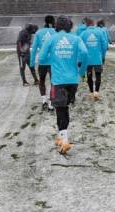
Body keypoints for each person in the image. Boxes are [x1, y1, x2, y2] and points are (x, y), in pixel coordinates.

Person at [39, 16, 88, 154]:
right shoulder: (76, 39)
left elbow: (42, 58)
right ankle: (62, 137)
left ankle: (64, 140)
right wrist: (81, 71)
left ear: (56, 26)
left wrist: (53, 59)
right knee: (64, 108)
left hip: (58, 80)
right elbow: (84, 52)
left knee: (60, 110)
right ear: (69, 26)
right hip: (73, 80)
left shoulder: (52, 39)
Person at [30, 15, 56, 111]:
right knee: (54, 82)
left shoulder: (39, 33)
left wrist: (32, 62)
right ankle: (51, 103)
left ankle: (44, 100)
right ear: (53, 22)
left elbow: (34, 49)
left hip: (42, 61)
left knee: (42, 81)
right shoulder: (55, 32)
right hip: (53, 62)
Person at [80, 18, 108, 101]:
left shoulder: (83, 34)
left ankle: (91, 92)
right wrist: (103, 56)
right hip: (97, 58)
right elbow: (104, 45)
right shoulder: (99, 32)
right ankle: (96, 92)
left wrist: (81, 59)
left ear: (86, 25)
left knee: (89, 76)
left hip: (87, 60)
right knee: (98, 75)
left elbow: (80, 48)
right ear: (93, 24)